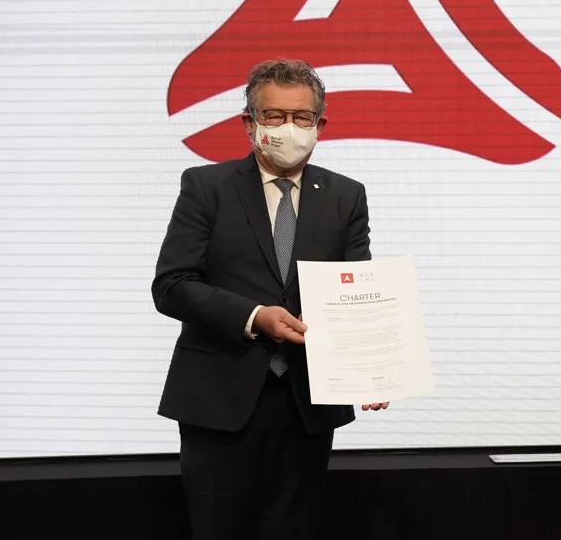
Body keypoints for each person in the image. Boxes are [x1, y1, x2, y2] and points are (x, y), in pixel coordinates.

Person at [152, 58, 388, 540]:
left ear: (320, 124)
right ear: (249, 122)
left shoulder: (346, 196)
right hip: (218, 399)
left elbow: (356, 289)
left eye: (302, 117)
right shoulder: (206, 187)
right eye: (274, 116)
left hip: (307, 406)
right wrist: (255, 316)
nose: (289, 128)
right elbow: (172, 285)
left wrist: (369, 367)